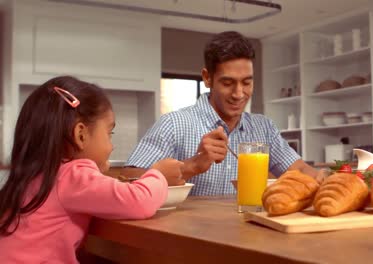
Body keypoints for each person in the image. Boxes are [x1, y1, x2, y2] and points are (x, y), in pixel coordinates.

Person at [0, 76, 184, 263]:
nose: (111, 146)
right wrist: (159, 174)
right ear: (81, 135)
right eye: (109, 133)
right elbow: (138, 201)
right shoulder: (71, 175)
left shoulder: (35, 176)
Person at [126, 31, 324, 196]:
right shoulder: (174, 124)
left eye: (247, 82)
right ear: (207, 78)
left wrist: (324, 180)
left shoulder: (264, 128)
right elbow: (130, 178)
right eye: (228, 83)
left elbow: (299, 170)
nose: (239, 94)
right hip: (191, 237)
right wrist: (193, 165)